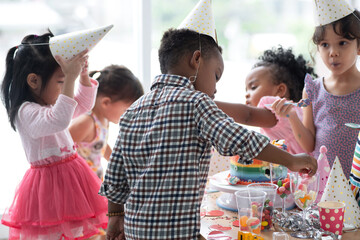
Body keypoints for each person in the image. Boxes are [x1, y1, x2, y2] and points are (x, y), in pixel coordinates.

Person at [99, 27, 317, 239]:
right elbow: (240, 140)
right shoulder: (196, 102)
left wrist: (115, 216)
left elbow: (116, 176)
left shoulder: (133, 110)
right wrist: (291, 160)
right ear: (196, 60)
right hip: (178, 233)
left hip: (137, 230)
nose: (215, 89)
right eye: (216, 75)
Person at [0, 32, 108, 239]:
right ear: (33, 81)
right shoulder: (26, 112)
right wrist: (71, 78)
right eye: (60, 82)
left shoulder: (51, 106)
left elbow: (83, 105)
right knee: (52, 233)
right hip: (48, 186)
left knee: (75, 232)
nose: (64, 88)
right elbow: (59, 119)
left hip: (70, 178)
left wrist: (82, 77)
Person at [272, 8, 360, 179]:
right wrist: (292, 116)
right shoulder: (312, 90)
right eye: (325, 45)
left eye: (342, 42)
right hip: (324, 185)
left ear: (359, 46)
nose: (333, 52)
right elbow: (308, 144)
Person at [215, 46, 317, 154]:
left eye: (253, 87)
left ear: (280, 90)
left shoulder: (278, 110)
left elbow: (248, 115)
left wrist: (206, 103)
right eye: (246, 90)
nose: (247, 95)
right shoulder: (299, 111)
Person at [69, 65, 144, 180]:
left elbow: (100, 146)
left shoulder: (103, 120)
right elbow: (59, 146)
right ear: (106, 103)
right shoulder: (87, 123)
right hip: (79, 181)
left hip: (94, 179)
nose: (130, 116)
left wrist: (117, 162)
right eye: (126, 110)